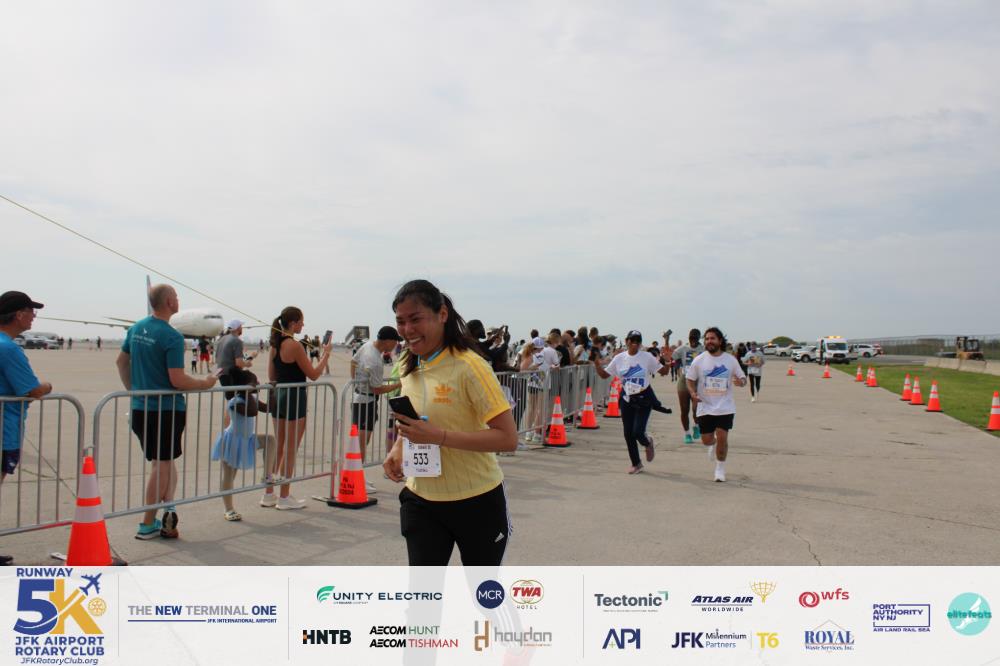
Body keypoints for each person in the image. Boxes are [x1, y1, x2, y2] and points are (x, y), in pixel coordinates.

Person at [382, 279, 517, 565]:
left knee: (483, 591)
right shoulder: (408, 363)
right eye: (401, 322)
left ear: (442, 314)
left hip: (476, 500)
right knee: (423, 592)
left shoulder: (470, 366)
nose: (407, 330)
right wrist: (398, 449)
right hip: (421, 501)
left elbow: (507, 438)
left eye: (415, 319)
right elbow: (417, 421)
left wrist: (439, 436)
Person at [116, 284, 216, 539]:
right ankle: (147, 523)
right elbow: (177, 379)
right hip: (165, 410)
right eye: (177, 297)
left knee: (164, 461)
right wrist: (204, 383)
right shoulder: (172, 336)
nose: (178, 301)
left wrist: (134, 391)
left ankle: (168, 510)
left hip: (141, 408)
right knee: (161, 466)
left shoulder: (136, 328)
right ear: (170, 302)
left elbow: (121, 362)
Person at [0, 292, 53, 565]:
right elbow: (31, 389)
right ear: (18, 314)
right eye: (31, 311)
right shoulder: (8, 349)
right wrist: (47, 386)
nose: (34, 317)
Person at [261, 306, 331, 510]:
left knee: (279, 446)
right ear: (292, 323)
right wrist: (326, 355)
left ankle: (269, 493)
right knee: (290, 448)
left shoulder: (275, 345)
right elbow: (314, 374)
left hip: (279, 395)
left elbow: (272, 376)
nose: (303, 325)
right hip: (294, 397)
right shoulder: (294, 345)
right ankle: (284, 496)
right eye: (301, 321)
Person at [594, 330, 671, 474]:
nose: (635, 343)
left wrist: (667, 361)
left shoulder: (647, 357)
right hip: (627, 398)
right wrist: (597, 364)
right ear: (627, 341)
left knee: (638, 432)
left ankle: (647, 442)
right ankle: (636, 464)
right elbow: (604, 375)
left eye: (638, 341)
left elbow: (664, 372)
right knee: (628, 433)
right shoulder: (619, 358)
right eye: (632, 340)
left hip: (644, 398)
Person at [210, 369, 276, 521]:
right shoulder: (235, 402)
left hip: (247, 439)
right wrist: (248, 391)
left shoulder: (250, 397)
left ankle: (267, 475)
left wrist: (272, 392)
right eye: (254, 382)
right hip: (232, 441)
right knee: (229, 475)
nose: (258, 384)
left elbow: (268, 409)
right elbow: (252, 412)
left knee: (270, 440)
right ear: (244, 386)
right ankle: (229, 509)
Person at [686, 327, 747, 482]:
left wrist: (741, 382)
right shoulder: (699, 360)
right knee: (706, 440)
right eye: (707, 339)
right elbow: (690, 379)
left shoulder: (730, 360)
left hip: (725, 406)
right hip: (705, 406)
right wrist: (692, 393)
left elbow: (743, 378)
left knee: (722, 436)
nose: (709, 341)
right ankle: (712, 444)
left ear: (720, 341)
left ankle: (720, 469)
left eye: (712, 338)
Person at [351, 326, 404, 493]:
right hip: (366, 402)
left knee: (360, 442)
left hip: (360, 397)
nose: (395, 345)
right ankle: (357, 479)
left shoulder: (367, 346)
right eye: (395, 342)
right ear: (388, 341)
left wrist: (356, 382)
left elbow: (353, 362)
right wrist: (399, 384)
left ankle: (358, 475)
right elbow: (377, 388)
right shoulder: (374, 360)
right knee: (361, 443)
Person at [672, 328, 704, 444]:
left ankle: (696, 425)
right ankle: (687, 434)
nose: (693, 341)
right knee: (684, 410)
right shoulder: (682, 349)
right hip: (684, 380)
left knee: (696, 409)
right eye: (691, 338)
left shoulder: (704, 349)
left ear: (699, 338)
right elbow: (674, 359)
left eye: (695, 338)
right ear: (689, 338)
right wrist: (678, 368)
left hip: (698, 382)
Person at [216, 319, 256, 399]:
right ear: (238, 328)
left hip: (221, 374)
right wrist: (248, 362)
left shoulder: (221, 340)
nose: (242, 328)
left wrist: (250, 358)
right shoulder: (237, 341)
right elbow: (239, 363)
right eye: (241, 326)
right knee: (238, 400)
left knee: (231, 400)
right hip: (231, 375)